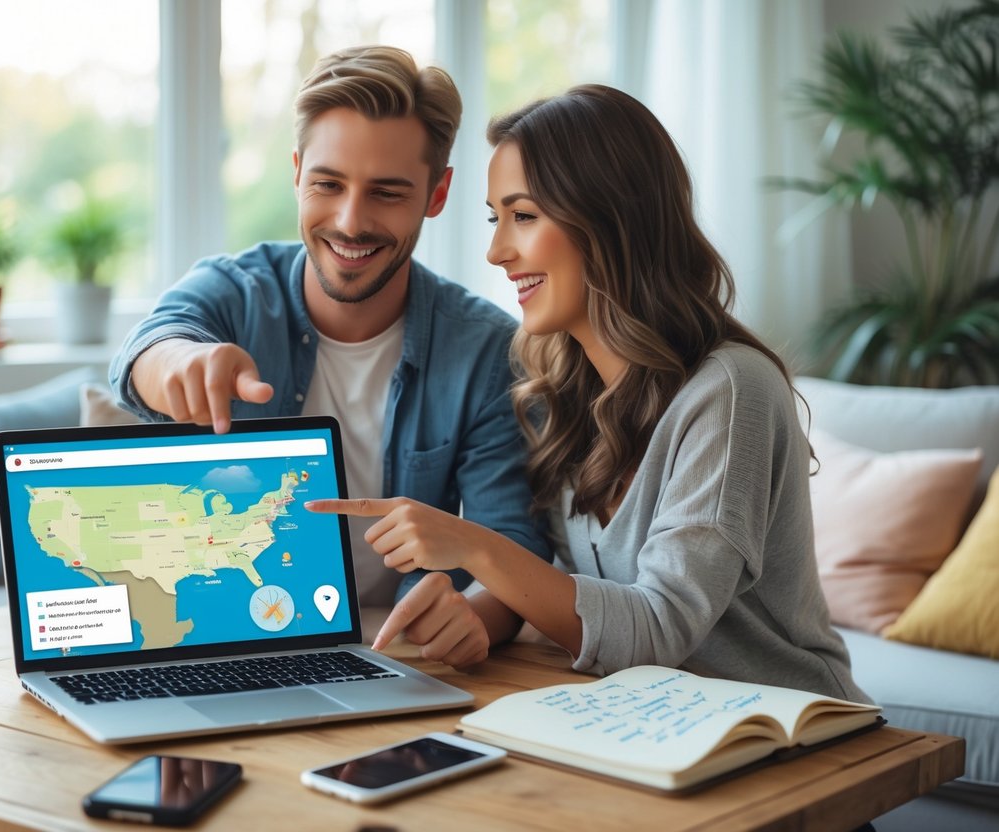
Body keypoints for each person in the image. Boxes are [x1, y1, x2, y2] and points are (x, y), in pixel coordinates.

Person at [309, 84, 869, 701]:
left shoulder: (730, 391)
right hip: (648, 721)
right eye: (496, 219)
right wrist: (475, 609)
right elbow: (560, 591)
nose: (497, 251)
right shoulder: (557, 397)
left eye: (523, 217)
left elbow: (659, 628)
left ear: (608, 218)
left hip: (789, 728)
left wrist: (472, 545)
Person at [109, 46, 550, 667]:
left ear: (437, 192)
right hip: (221, 639)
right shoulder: (236, 292)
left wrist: (477, 617)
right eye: (328, 184)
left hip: (392, 654)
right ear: (296, 173)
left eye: (387, 193)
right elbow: (151, 345)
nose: (350, 221)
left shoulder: (486, 350)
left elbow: (511, 541)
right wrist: (177, 364)